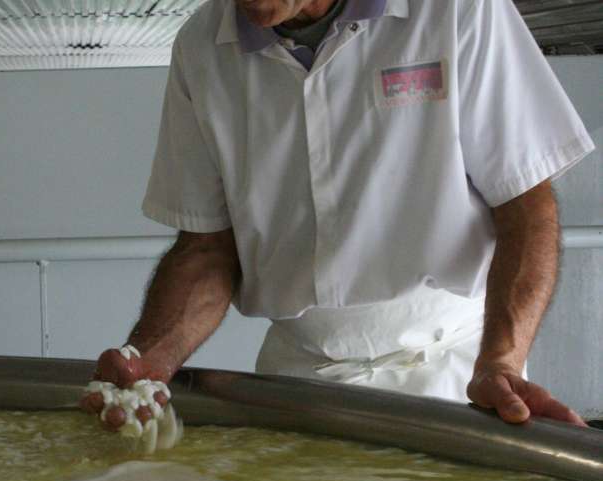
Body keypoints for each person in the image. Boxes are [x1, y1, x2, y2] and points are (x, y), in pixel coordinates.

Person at [83, 0, 594, 428]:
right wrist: (150, 361)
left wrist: (501, 360)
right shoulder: (202, 49)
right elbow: (206, 247)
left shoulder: (453, 9)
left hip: (454, 372)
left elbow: (524, 205)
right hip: (302, 376)